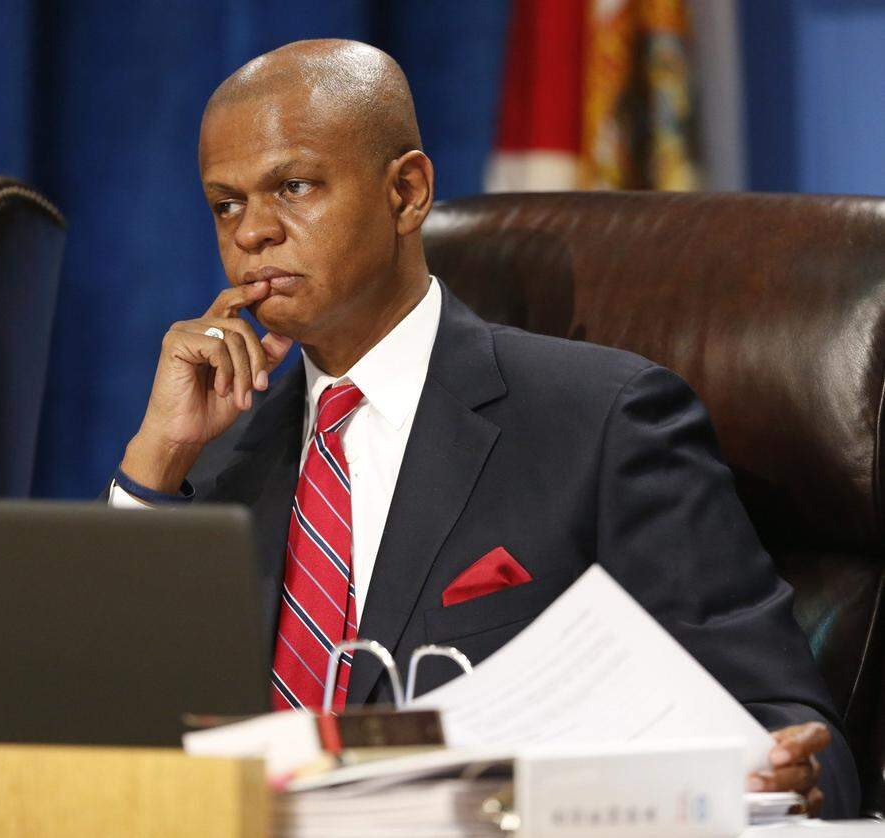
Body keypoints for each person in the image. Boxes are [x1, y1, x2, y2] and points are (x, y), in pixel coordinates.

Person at [107, 39, 858, 816]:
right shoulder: (220, 449)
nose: (253, 232)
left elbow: (786, 738)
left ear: (406, 192)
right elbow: (101, 737)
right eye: (226, 204)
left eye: (293, 186)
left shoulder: (601, 423)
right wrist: (154, 462)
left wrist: (764, 775)